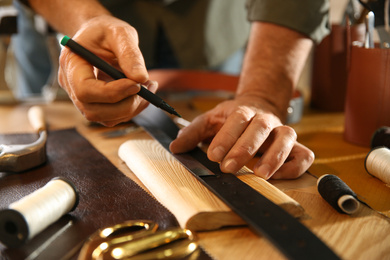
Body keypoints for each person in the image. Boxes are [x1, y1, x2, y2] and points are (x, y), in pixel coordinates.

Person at [18, 0, 330, 180]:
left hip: (210, 24)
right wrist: (85, 19)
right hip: (66, 13)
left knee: (235, 133)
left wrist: (260, 94)